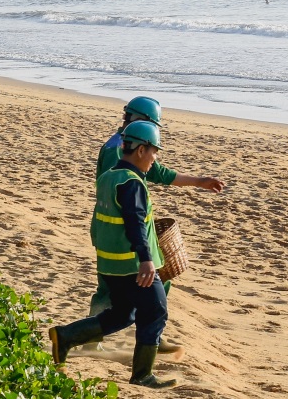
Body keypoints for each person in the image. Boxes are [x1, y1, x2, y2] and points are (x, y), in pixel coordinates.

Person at [49, 121, 177, 389]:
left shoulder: (108, 177)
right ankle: (143, 375)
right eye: (154, 152)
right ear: (141, 150)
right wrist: (146, 260)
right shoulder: (132, 183)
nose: (155, 159)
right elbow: (135, 225)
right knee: (155, 311)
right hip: (132, 266)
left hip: (110, 265)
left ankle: (66, 336)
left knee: (122, 315)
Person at [89, 97, 225, 343]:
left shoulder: (132, 145)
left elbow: (159, 173)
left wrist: (199, 182)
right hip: (116, 233)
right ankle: (91, 339)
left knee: (152, 283)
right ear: (142, 120)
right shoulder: (118, 151)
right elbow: (122, 202)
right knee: (112, 289)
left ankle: (151, 334)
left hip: (122, 232)